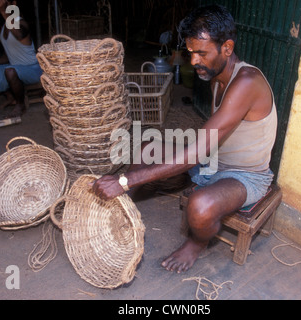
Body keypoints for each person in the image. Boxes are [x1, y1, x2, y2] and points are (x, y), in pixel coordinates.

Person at [92, 5, 278, 273]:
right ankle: (123, 212)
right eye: (191, 52)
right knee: (148, 148)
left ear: (227, 47)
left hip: (245, 176)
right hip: (213, 159)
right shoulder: (217, 76)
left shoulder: (247, 82)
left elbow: (195, 154)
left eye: (201, 53)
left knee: (199, 206)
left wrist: (124, 180)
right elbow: (207, 145)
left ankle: (195, 244)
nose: (193, 62)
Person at [0, 0, 42, 118]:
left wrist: (4, 11)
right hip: (14, 68)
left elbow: (19, 34)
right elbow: (8, 54)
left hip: (33, 69)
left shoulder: (22, 23)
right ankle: (11, 97)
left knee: (10, 71)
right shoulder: (5, 26)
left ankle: (20, 104)